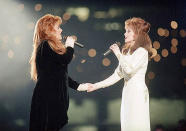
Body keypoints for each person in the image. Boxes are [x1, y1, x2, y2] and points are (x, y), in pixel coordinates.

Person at [87, 17, 157, 131]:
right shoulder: (127, 52)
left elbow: (129, 70)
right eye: (125, 31)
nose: (125, 34)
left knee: (136, 124)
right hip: (127, 93)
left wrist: (118, 54)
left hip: (137, 94)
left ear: (137, 34)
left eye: (128, 31)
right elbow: (117, 75)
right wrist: (95, 86)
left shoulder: (142, 52)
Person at [29, 14, 88, 131]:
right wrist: (70, 46)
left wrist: (79, 86)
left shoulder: (48, 47)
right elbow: (65, 59)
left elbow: (59, 73)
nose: (61, 30)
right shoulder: (45, 46)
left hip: (52, 99)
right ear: (49, 30)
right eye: (58, 27)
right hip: (47, 100)